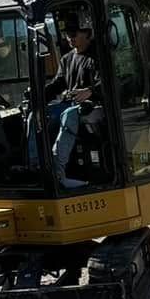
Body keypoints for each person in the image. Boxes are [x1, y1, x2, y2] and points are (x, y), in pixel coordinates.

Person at [40, 11, 102, 189]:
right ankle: (37, 164)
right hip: (70, 103)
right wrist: (38, 95)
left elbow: (106, 83)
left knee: (68, 115)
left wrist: (90, 91)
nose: (70, 38)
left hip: (93, 105)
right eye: (67, 35)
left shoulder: (97, 57)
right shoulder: (67, 59)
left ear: (88, 34)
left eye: (74, 34)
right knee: (36, 116)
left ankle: (57, 172)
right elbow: (58, 84)